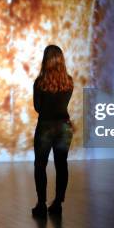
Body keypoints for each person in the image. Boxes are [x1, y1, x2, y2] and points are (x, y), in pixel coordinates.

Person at [32, 45, 74, 218]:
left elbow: (38, 107)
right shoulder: (69, 81)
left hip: (45, 127)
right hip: (64, 126)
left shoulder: (40, 82)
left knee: (40, 166)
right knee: (61, 165)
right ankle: (58, 203)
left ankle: (41, 204)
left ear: (45, 60)